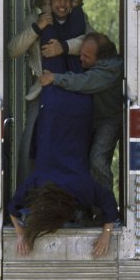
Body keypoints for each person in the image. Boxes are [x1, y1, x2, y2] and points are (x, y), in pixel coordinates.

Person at [7, 0, 94, 184]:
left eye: (66, 0)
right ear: (50, 1)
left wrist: (63, 47)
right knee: (31, 143)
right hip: (42, 90)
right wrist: (38, 28)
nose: (62, 5)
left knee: (79, 144)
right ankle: (28, 193)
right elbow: (13, 49)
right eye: (57, 0)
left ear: (73, 2)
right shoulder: (34, 19)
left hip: (74, 90)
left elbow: (92, 43)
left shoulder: (81, 19)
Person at [39, 32, 123, 190]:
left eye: (85, 56)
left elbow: (84, 82)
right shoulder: (99, 61)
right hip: (94, 117)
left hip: (109, 120)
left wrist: (54, 78)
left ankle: (106, 206)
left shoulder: (111, 70)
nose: (80, 59)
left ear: (100, 58)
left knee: (98, 161)